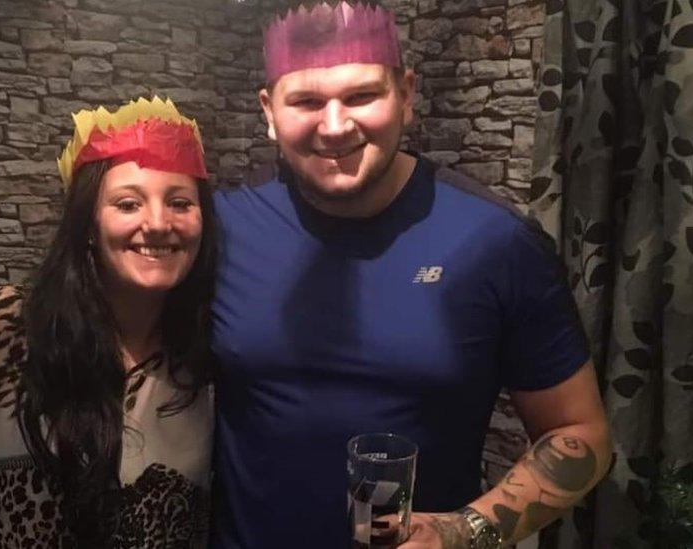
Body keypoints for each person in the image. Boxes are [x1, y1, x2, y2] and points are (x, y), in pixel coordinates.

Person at [210, 2, 612, 547]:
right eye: (306, 101)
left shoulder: (495, 242)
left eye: (361, 96)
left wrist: (463, 530)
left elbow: (581, 435)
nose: (334, 126)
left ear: (406, 94)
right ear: (268, 110)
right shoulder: (223, 230)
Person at [0, 97, 217, 548]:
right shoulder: (0, 329)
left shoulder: (209, 360)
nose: (158, 222)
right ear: (88, 224)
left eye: (180, 202)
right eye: (128, 204)